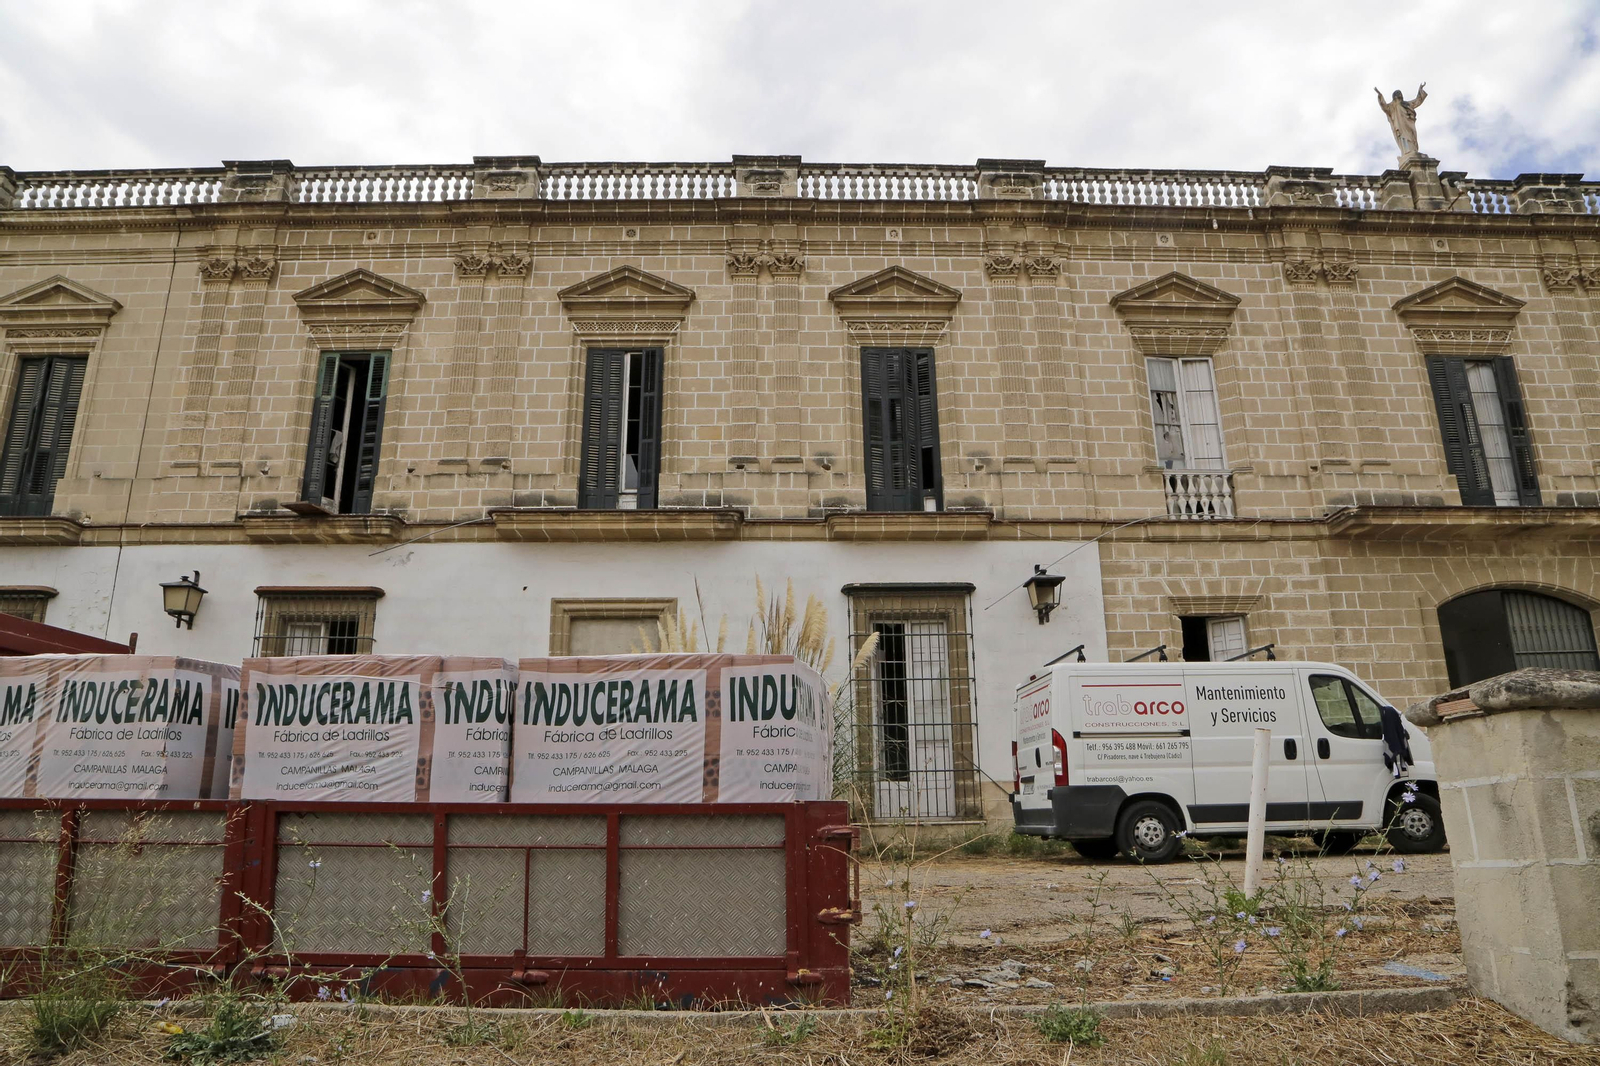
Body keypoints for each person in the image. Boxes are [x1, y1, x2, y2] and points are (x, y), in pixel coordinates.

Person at [1375, 83, 1428, 158]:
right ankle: (1407, 152)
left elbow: (1417, 101)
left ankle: (1414, 151)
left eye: (1400, 93)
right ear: (1394, 96)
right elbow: (1384, 106)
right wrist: (1380, 95)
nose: (1400, 94)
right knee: (1404, 137)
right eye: (1398, 93)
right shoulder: (1392, 106)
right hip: (1400, 125)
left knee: (1412, 136)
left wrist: (1420, 90)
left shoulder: (1406, 104)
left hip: (1409, 123)